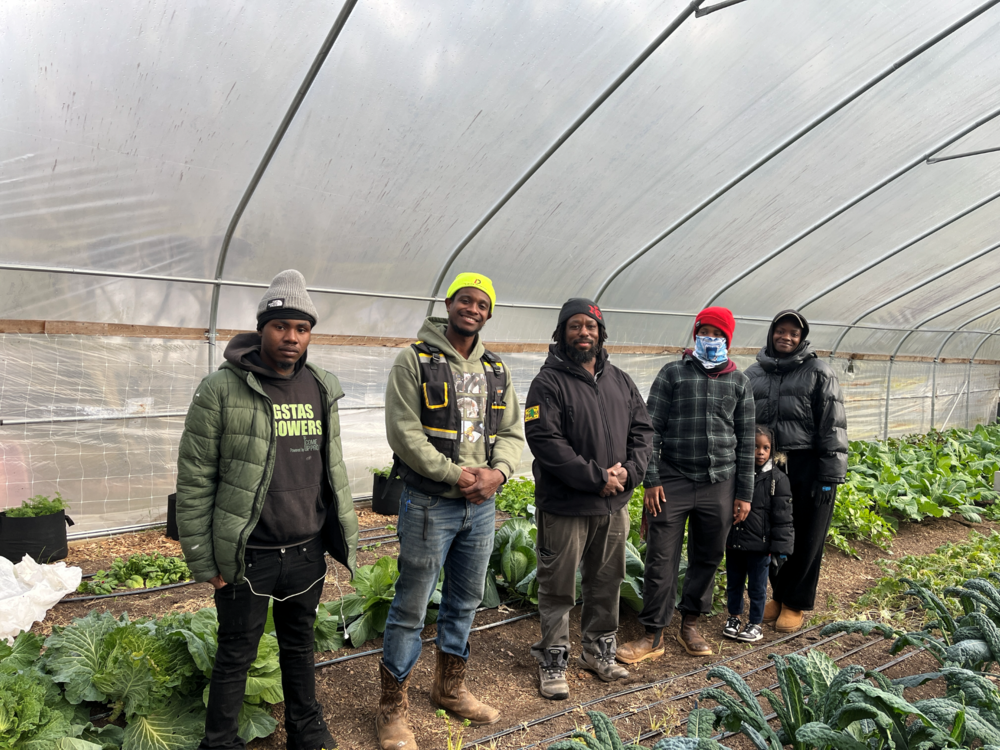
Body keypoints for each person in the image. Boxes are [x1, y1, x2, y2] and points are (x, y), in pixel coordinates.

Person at [176, 269, 358, 750]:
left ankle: (305, 727)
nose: (291, 338)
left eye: (302, 328)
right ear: (262, 328)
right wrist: (203, 559)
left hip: (305, 548)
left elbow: (331, 467)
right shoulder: (220, 389)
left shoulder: (322, 386)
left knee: (300, 644)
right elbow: (195, 479)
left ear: (310, 334)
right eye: (281, 326)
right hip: (248, 553)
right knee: (237, 652)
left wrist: (339, 535)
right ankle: (220, 741)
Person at [377, 272, 524, 750]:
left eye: (483, 304)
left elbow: (512, 434)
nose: (473, 309)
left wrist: (498, 473)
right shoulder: (414, 361)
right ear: (450, 303)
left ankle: (449, 687)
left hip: (480, 509)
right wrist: (455, 475)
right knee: (411, 606)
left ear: (488, 313)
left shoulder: (497, 370)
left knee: (465, 600)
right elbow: (404, 432)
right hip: (428, 503)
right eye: (466, 300)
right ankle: (392, 709)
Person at [523, 298, 653, 700]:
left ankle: (599, 651)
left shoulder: (620, 380)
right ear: (561, 333)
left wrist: (630, 473)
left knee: (607, 581)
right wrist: (597, 478)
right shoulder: (547, 383)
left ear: (601, 333)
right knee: (558, 586)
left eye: (591, 327)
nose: (584, 333)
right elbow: (545, 441)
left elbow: (643, 432)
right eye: (575, 326)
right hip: (566, 505)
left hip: (613, 507)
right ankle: (553, 659)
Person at [617, 307, 755, 663]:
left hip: (720, 484)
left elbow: (747, 441)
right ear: (695, 336)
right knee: (661, 558)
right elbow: (650, 430)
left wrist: (744, 493)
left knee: (707, 557)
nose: (710, 339)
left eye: (717, 334)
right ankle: (653, 633)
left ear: (728, 340)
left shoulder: (739, 382)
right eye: (703, 332)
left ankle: (690, 624)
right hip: (673, 481)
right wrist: (652, 480)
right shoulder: (673, 373)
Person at [745, 310, 847, 633]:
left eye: (793, 333)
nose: (786, 337)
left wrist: (829, 476)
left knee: (807, 534)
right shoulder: (754, 374)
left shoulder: (819, 372)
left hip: (808, 464)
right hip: (769, 464)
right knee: (774, 530)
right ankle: (778, 594)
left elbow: (833, 426)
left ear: (802, 338)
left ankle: (796, 602)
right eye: (781, 331)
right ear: (771, 333)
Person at [722, 425, 793, 643]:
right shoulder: (735, 474)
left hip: (760, 547)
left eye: (765, 448)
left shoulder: (777, 479)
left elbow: (783, 517)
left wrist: (780, 549)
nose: (760, 452)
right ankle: (734, 617)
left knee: (757, 587)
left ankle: (755, 623)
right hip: (734, 543)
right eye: (755, 447)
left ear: (772, 450)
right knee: (734, 583)